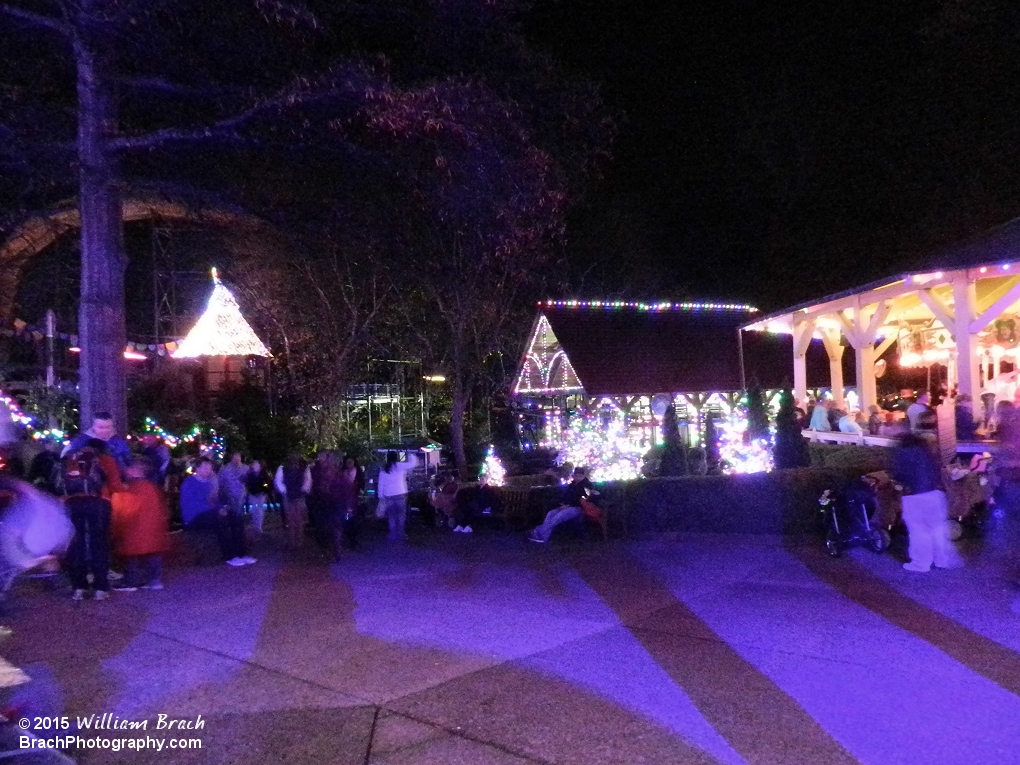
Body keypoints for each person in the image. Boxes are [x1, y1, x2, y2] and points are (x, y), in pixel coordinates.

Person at [892, 412, 961, 572]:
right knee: (936, 527)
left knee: (918, 529)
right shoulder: (924, 445)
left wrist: (898, 483)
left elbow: (898, 472)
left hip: (914, 493)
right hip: (935, 490)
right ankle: (941, 559)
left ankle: (921, 563)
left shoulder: (901, 448)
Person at [61, 443, 115, 600]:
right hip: (98, 503)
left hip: (72, 503)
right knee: (98, 543)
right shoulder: (104, 459)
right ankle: (100, 588)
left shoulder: (69, 458)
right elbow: (114, 482)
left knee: (76, 543)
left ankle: (79, 586)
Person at [180, 458, 254, 567]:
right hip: (194, 516)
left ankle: (241, 553)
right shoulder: (188, 483)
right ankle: (229, 556)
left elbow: (214, 501)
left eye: (210, 467)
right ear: (198, 468)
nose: (208, 470)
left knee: (235, 517)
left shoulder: (209, 483)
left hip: (209, 512)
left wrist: (221, 508)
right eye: (205, 467)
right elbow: (191, 505)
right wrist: (216, 510)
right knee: (219, 519)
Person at [110, 460, 170, 591]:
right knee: (154, 554)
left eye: (130, 467)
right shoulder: (152, 487)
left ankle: (131, 581)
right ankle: (155, 581)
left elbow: (123, 512)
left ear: (136, 471)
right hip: (155, 529)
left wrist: (115, 531)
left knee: (132, 556)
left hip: (135, 529)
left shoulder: (131, 489)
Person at [529, 466, 594, 543]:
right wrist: (562, 504)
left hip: (577, 508)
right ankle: (544, 535)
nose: (577, 477)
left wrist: (569, 505)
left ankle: (538, 532)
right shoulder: (572, 485)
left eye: (580, 475)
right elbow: (565, 496)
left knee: (557, 517)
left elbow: (585, 498)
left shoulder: (586, 485)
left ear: (583, 476)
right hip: (566, 506)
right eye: (576, 475)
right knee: (550, 514)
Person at [61, 412, 131, 469]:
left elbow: (128, 463)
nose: (105, 430)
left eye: (108, 427)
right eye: (101, 427)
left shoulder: (119, 442)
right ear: (93, 426)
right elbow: (65, 458)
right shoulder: (80, 441)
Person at [377, 451, 418, 542]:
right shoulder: (399, 466)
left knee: (391, 516)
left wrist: (380, 496)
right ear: (396, 457)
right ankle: (401, 535)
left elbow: (381, 484)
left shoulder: (384, 468)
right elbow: (413, 464)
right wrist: (410, 454)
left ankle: (392, 535)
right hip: (400, 493)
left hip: (388, 495)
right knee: (401, 515)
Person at [275, 455, 312, 549]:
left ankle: (298, 542)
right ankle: (292, 542)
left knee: (299, 520)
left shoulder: (304, 468)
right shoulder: (283, 468)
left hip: (298, 496)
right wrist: (284, 491)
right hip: (289, 496)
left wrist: (303, 490)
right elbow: (278, 481)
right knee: (291, 520)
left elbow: (308, 480)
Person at [244, 459, 273, 534]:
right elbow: (247, 483)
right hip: (252, 494)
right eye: (254, 464)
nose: (255, 466)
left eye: (257, 464)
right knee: (254, 510)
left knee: (259, 510)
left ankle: (258, 527)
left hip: (260, 494)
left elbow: (267, 483)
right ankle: (254, 525)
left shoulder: (264, 474)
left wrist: (264, 488)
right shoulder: (250, 474)